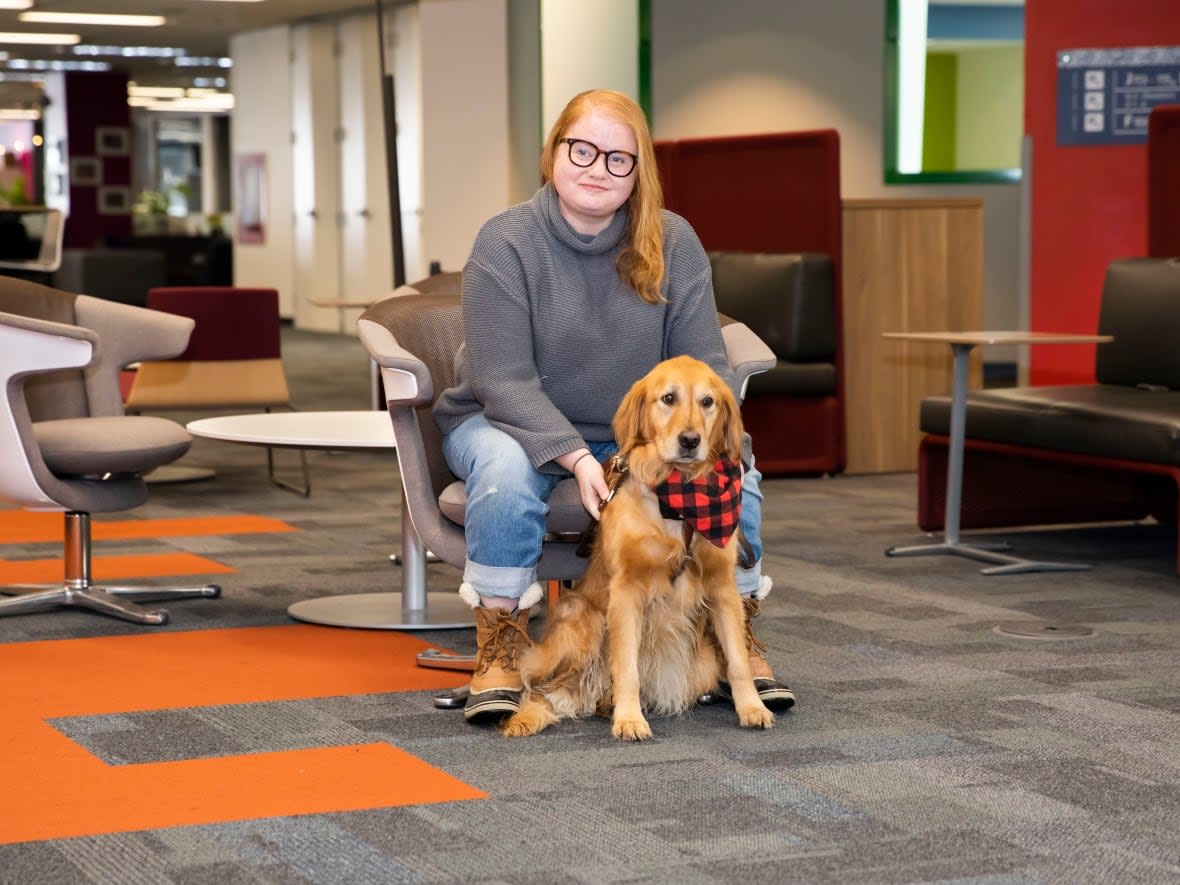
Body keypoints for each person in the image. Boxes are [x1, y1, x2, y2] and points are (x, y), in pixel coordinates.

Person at [433, 88, 794, 724]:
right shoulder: (506, 240)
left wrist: (659, 447)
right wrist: (575, 457)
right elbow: (503, 379)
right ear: (553, 153)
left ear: (638, 171)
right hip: (503, 420)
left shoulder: (672, 241)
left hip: (635, 434)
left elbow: (701, 362)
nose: (598, 168)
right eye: (583, 149)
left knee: (739, 474)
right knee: (507, 476)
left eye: (618, 158)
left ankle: (735, 632)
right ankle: (498, 643)